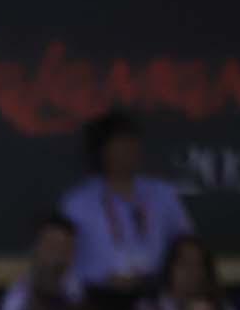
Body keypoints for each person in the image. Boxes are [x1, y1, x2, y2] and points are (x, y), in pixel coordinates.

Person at [64, 111, 193, 298]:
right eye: (121, 143)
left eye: (133, 142)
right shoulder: (78, 203)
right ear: (102, 150)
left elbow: (187, 246)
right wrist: (101, 278)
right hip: (99, 296)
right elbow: (64, 261)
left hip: (156, 296)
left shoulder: (163, 194)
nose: (129, 150)